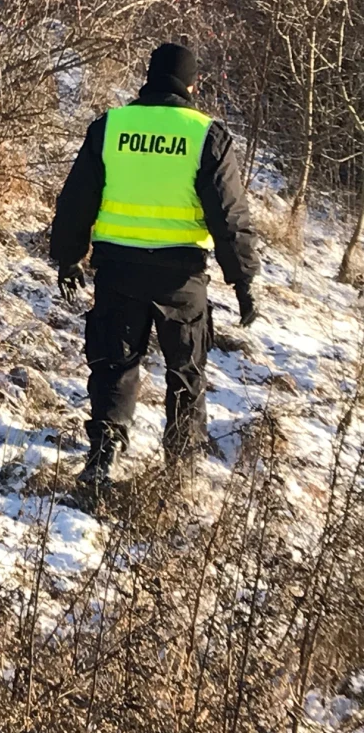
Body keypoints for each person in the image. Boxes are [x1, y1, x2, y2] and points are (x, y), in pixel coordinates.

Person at [51, 42, 260, 487]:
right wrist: (243, 280)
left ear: (148, 78)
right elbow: (229, 214)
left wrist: (68, 258)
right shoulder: (206, 134)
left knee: (114, 364)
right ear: (191, 84)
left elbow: (76, 200)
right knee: (186, 370)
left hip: (117, 270)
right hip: (181, 278)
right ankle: (178, 474)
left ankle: (102, 454)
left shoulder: (112, 126)